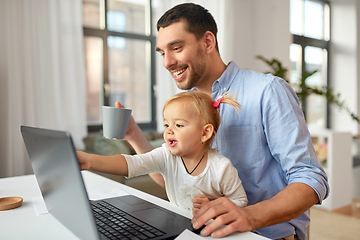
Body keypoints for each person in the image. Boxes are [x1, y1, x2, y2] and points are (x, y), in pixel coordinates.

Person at [120, 3, 329, 240]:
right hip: (206, 233)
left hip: (264, 235)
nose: (167, 62)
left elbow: (311, 179)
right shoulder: (184, 106)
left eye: (176, 48)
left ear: (208, 42)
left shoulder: (267, 91)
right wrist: (134, 135)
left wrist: (250, 216)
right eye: (162, 53)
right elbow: (172, 175)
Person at [77, 91, 248, 214]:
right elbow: (132, 163)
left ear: (205, 133)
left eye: (178, 125)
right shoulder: (166, 155)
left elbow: (241, 202)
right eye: (167, 125)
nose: (169, 131)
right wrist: (89, 160)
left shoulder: (221, 168)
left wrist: (214, 206)